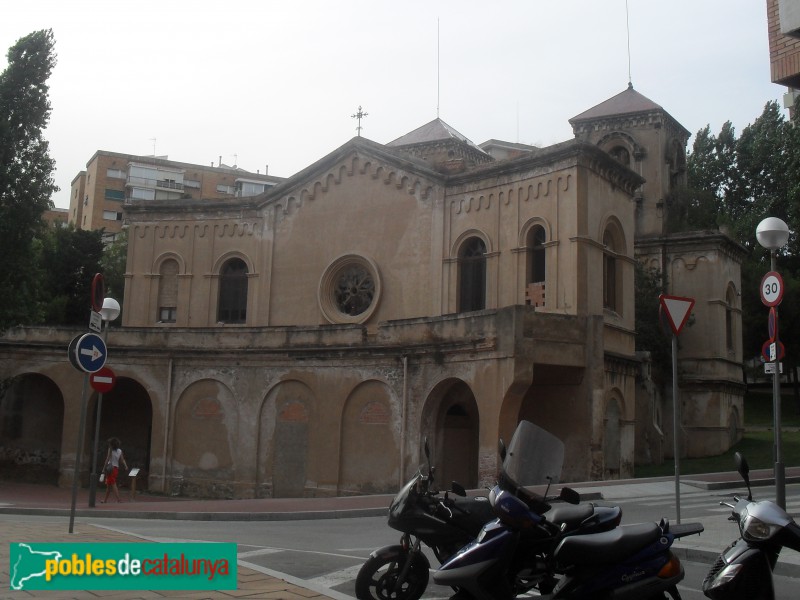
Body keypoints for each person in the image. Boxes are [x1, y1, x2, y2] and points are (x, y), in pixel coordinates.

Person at [101, 437, 128, 503]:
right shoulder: (120, 451)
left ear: (112, 444)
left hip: (110, 469)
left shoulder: (110, 450)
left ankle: (119, 499)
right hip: (116, 469)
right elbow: (122, 460)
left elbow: (107, 459)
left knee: (113, 484)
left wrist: (103, 469)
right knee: (109, 485)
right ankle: (105, 500)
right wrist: (126, 466)